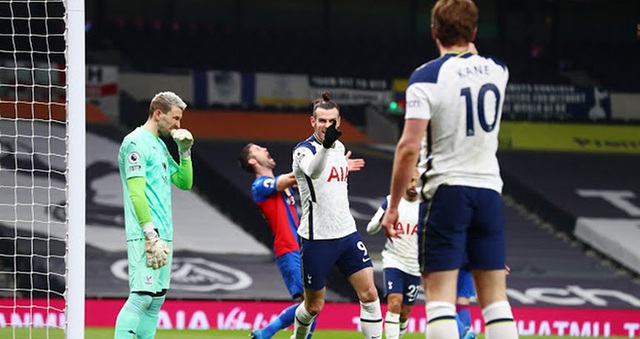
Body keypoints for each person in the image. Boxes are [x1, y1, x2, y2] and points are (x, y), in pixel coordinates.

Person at [380, 0, 519, 338]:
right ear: (473, 32)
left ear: (433, 32)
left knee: (440, 300)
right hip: (488, 193)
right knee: (496, 302)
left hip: (447, 192)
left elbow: (408, 147)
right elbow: (473, 55)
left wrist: (394, 206)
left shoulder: (426, 77)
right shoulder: (498, 70)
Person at [238, 142, 364, 339]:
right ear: (252, 161)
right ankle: (265, 333)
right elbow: (296, 176)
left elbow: (314, 179)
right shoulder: (260, 186)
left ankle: (268, 334)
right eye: (258, 149)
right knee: (310, 304)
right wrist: (334, 164)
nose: (264, 148)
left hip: (300, 247)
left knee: (313, 305)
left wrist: (339, 170)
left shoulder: (285, 184)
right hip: (288, 249)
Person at [291, 92, 382, 339]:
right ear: (312, 122)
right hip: (317, 239)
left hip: (347, 235)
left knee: (370, 294)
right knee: (313, 307)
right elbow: (313, 171)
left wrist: (342, 162)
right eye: (321, 121)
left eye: (332, 121)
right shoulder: (303, 150)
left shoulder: (339, 147)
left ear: (339, 122)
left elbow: (331, 176)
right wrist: (328, 148)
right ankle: (298, 337)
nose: (326, 126)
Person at [114, 91, 194, 339]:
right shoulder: (135, 142)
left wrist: (185, 152)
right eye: (175, 118)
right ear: (158, 113)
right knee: (141, 297)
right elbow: (136, 193)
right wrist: (149, 233)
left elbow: (184, 182)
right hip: (146, 233)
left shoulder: (159, 145)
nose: (178, 125)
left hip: (164, 233)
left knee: (156, 300)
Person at [367, 169, 477, 339]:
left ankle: (399, 333)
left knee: (404, 312)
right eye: (409, 180)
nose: (412, 185)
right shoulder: (391, 202)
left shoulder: (426, 207)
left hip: (415, 267)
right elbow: (370, 228)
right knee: (394, 302)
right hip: (394, 261)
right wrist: (382, 221)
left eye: (416, 181)